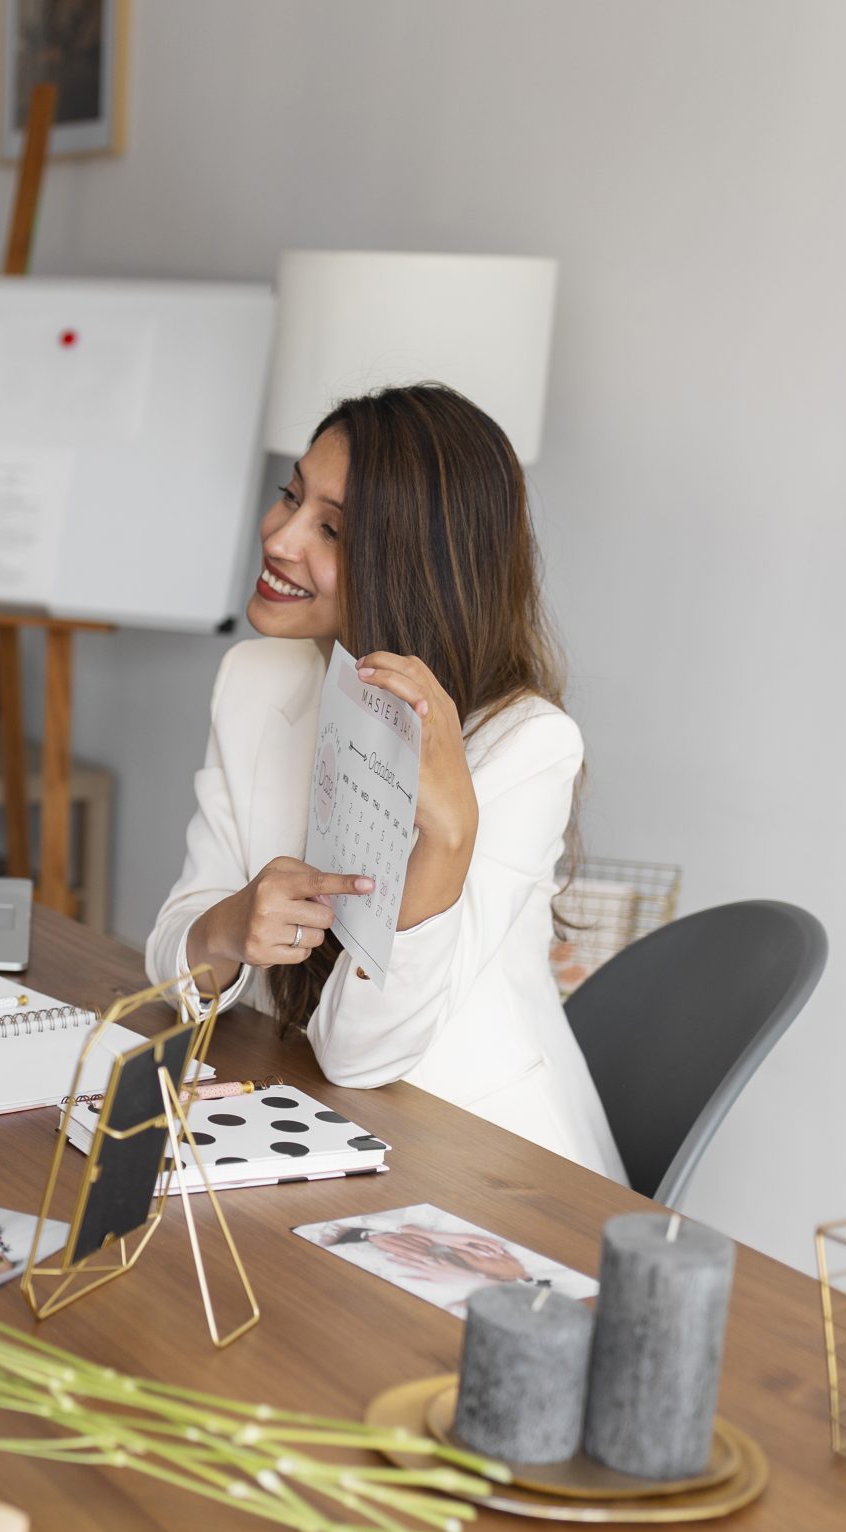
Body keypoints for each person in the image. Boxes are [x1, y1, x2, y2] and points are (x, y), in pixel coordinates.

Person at [145, 383, 622, 1182]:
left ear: (412, 564)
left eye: (331, 529)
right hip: (294, 1108)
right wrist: (229, 926)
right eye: (290, 495)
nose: (280, 537)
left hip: (477, 1159)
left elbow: (360, 1054)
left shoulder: (526, 746)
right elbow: (171, 956)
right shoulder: (255, 679)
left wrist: (449, 835)